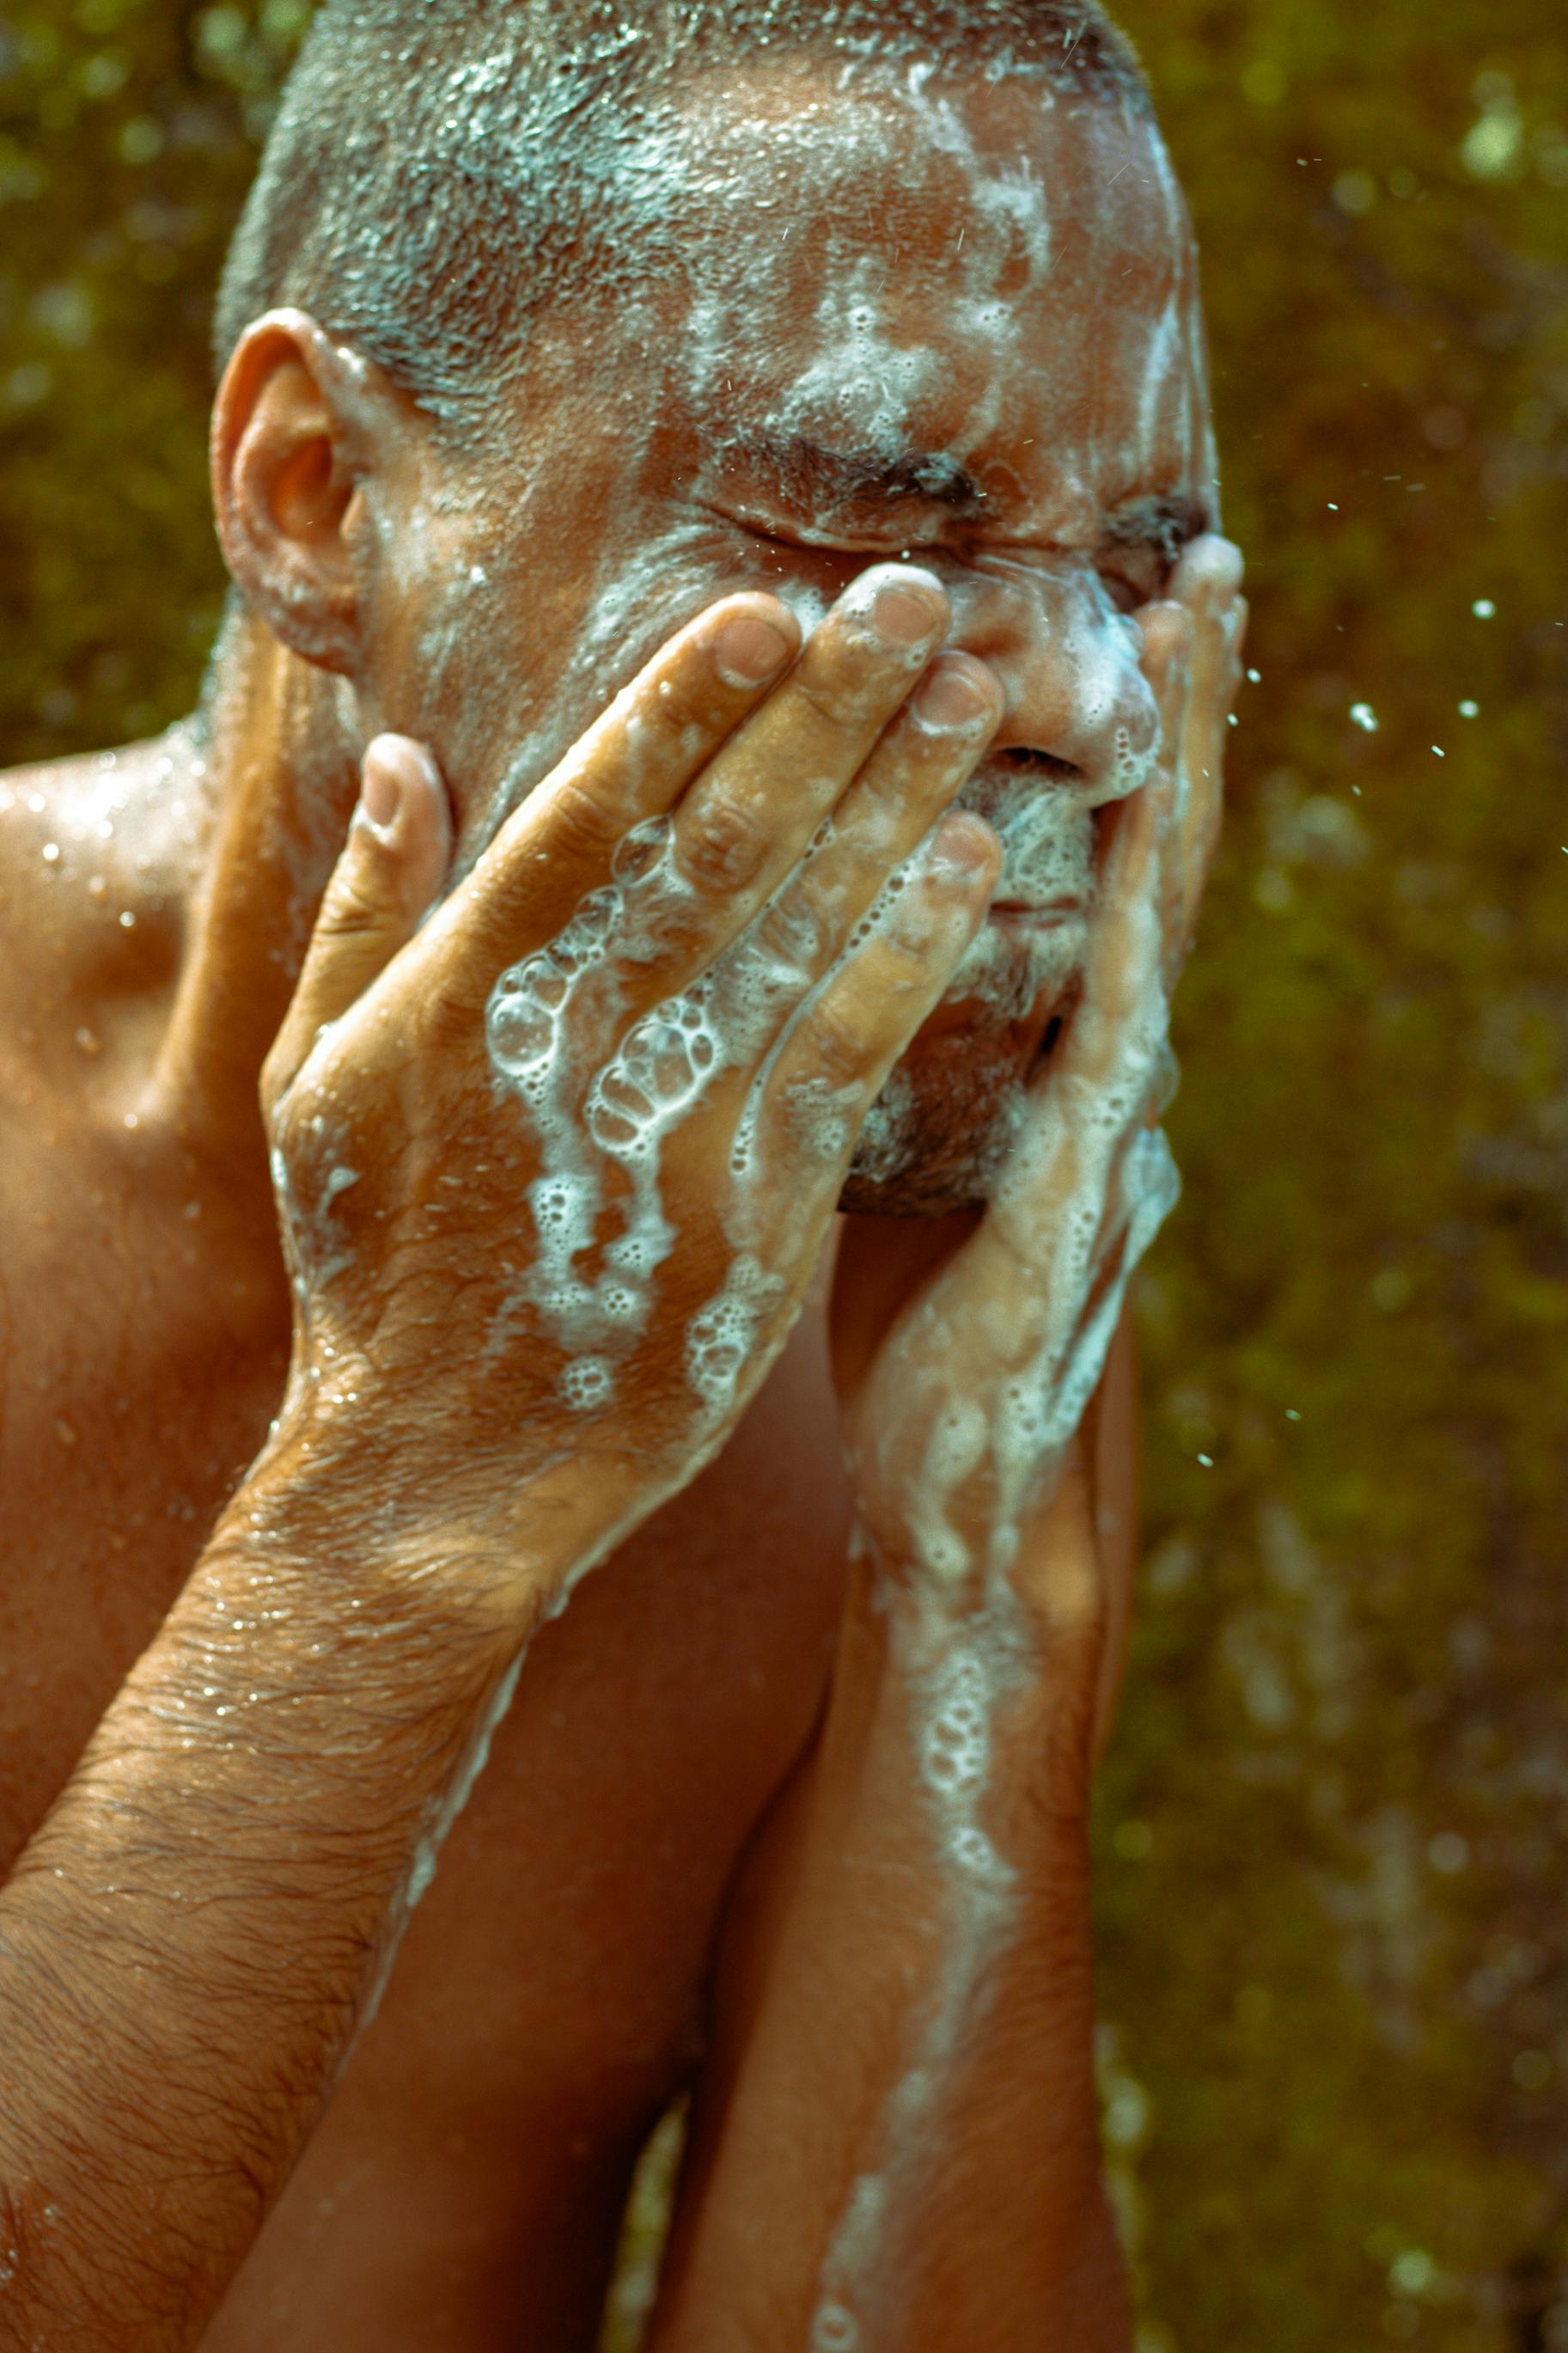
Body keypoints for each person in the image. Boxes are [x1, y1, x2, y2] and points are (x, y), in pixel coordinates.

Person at [0, 1, 1246, 2344]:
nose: (1088, 701)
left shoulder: (872, 1250)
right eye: (883, 519)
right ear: (316, 496)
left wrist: (971, 1598)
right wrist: (404, 1494)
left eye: (1146, 563)